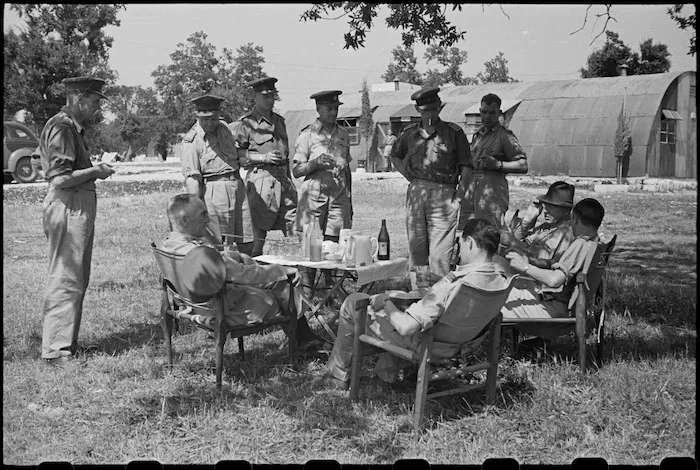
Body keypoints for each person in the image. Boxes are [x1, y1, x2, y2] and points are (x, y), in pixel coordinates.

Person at [318, 218, 511, 390]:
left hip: (427, 345)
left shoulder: (454, 283)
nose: (460, 253)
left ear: (469, 242)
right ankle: (384, 376)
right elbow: (452, 306)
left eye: (460, 244)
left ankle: (338, 375)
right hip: (464, 344)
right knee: (399, 301)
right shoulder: (500, 281)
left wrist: (385, 302)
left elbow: (405, 326)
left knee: (354, 302)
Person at [161, 193, 330, 351]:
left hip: (197, 306)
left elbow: (222, 264)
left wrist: (234, 256)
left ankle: (303, 339)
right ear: (184, 220)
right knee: (283, 284)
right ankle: (305, 340)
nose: (207, 220)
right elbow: (245, 275)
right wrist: (283, 270)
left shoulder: (170, 246)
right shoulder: (200, 254)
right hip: (224, 310)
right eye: (203, 214)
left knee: (277, 280)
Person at [38, 76, 116, 367]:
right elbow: (59, 178)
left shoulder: (70, 128)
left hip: (73, 205)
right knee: (66, 277)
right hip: (68, 206)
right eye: (96, 100)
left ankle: (65, 344)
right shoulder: (62, 128)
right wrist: (96, 171)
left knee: (74, 277)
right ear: (79, 98)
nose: (97, 107)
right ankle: (56, 351)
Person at [391, 86, 471, 277]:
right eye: (425, 110)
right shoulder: (409, 133)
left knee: (439, 256)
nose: (430, 114)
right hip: (417, 194)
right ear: (418, 110)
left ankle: (439, 299)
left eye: (434, 109)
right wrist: (409, 176)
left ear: (439, 108)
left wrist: (458, 199)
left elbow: (467, 168)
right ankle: (418, 297)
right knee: (417, 250)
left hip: (444, 195)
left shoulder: (454, 133)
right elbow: (395, 156)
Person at [501, 198, 605, 338]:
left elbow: (554, 280)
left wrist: (524, 266)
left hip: (553, 312)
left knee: (494, 297)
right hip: (562, 306)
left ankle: (472, 349)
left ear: (574, 218)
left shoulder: (581, 244)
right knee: (505, 290)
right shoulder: (594, 244)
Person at [292, 90, 353, 294]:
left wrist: (350, 198)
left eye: (336, 108)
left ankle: (332, 291)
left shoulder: (343, 134)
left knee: (335, 245)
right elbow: (296, 170)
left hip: (338, 197)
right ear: (318, 109)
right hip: (314, 198)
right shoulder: (307, 135)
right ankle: (307, 293)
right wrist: (315, 163)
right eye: (329, 108)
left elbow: (348, 170)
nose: (333, 112)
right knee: (311, 245)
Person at [229, 77, 298, 257]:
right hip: (262, 182)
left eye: (272, 96)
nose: (270, 100)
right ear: (255, 97)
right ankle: (257, 277)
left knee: (294, 230)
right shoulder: (246, 124)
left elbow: (286, 156)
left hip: (284, 181)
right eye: (265, 96)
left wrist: (290, 182)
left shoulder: (280, 121)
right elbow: (239, 158)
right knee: (258, 234)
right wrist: (263, 157)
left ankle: (297, 278)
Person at [181, 94, 255, 254]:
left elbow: (236, 152)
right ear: (197, 116)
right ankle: (223, 277)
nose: (210, 123)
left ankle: (247, 274)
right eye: (205, 119)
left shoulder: (224, 128)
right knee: (219, 244)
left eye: (213, 118)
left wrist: (243, 159)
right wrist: (197, 209)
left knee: (246, 239)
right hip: (214, 192)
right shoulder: (192, 141)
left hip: (238, 186)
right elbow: (193, 180)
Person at [460, 93, 528, 230]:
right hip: (472, 194)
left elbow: (523, 165)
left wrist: (498, 165)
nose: (487, 117)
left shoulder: (505, 136)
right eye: (484, 112)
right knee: (467, 233)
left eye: (492, 113)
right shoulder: (477, 136)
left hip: (492, 196)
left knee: (489, 235)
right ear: (479, 111)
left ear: (499, 113)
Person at [500, 181, 576, 269]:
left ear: (566, 210)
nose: (545, 210)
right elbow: (522, 241)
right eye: (545, 206)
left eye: (551, 206)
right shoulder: (548, 226)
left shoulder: (566, 231)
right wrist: (527, 220)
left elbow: (543, 257)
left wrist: (514, 243)